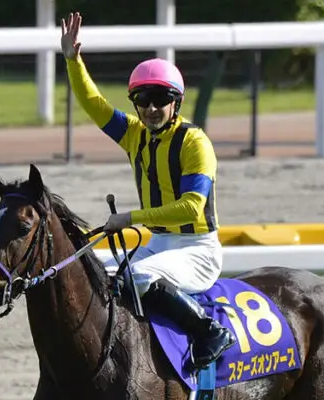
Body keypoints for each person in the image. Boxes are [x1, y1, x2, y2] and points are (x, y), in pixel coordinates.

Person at [60, 11, 235, 371]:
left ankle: (209, 332)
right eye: (143, 100)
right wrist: (72, 60)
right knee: (90, 269)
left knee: (137, 277)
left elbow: (191, 208)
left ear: (177, 102)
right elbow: (95, 105)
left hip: (197, 250)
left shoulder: (194, 143)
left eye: (161, 99)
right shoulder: (134, 134)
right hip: (157, 244)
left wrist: (129, 219)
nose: (152, 108)